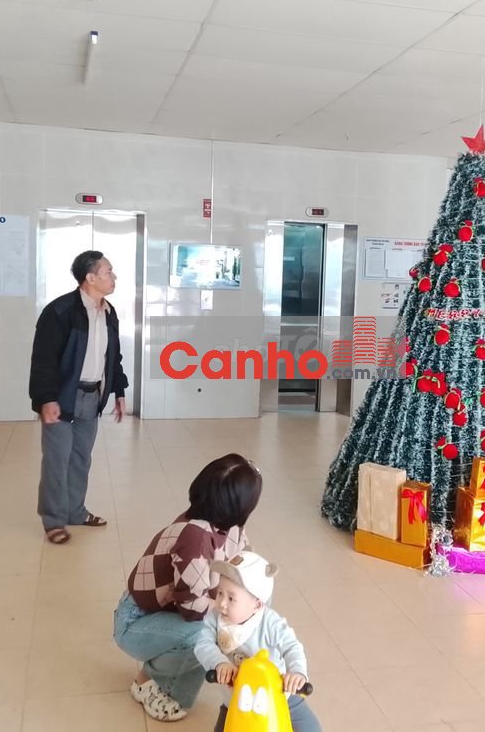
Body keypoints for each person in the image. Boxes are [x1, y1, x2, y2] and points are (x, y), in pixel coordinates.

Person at [113, 454, 263, 722]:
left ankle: (165, 671)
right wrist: (230, 615)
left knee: (231, 619)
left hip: (169, 611)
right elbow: (193, 610)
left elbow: (245, 566)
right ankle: (149, 683)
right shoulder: (195, 538)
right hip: (135, 621)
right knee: (205, 633)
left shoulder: (229, 526)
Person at [29, 250, 127, 545]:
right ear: (90, 277)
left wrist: (119, 391)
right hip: (61, 397)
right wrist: (46, 398)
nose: (114, 277)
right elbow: (43, 359)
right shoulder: (60, 311)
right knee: (57, 460)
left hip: (92, 395)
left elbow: (114, 356)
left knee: (81, 458)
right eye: (108, 271)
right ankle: (53, 520)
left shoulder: (109, 312)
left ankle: (76, 511)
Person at [194, 552, 321, 732]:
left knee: (311, 728)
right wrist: (219, 662)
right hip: (236, 700)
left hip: (278, 694)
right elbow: (203, 644)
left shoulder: (270, 623)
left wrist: (297, 673)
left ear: (257, 605)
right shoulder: (215, 619)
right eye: (220, 593)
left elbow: (292, 647)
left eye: (231, 598)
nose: (222, 603)